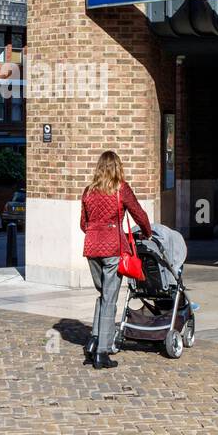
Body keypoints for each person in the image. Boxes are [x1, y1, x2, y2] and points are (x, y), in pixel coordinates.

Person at [80, 150, 152, 369]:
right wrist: (147, 232)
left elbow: (83, 224)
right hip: (112, 248)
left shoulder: (88, 191)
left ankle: (93, 340)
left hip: (91, 248)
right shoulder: (121, 189)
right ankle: (102, 352)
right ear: (117, 167)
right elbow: (139, 214)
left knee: (103, 295)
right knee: (110, 299)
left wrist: (95, 232)